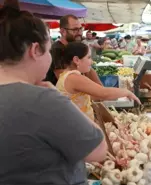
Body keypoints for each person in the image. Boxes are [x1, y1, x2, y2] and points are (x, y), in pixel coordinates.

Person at [0, 0, 107, 184]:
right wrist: (61, 100)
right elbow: (98, 150)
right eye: (48, 50)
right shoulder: (44, 101)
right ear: (35, 50)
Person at [56, 42, 140, 120]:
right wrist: (127, 92)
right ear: (76, 60)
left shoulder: (69, 76)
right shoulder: (74, 78)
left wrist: (116, 95)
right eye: (88, 57)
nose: (91, 62)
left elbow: (93, 95)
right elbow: (104, 93)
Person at [44, 14, 102, 86]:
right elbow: (66, 80)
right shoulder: (57, 50)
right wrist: (99, 91)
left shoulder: (77, 47)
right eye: (75, 30)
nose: (80, 33)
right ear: (63, 31)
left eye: (80, 29)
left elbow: (89, 70)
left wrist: (100, 87)